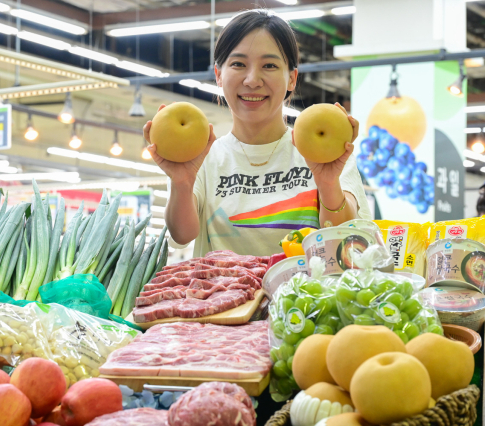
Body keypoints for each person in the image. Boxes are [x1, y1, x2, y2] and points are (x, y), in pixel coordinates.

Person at [145, 9, 371, 257]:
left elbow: (347, 240)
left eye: (270, 65)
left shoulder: (326, 153)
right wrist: (182, 182)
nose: (252, 80)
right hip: (228, 294)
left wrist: (327, 183)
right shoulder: (200, 155)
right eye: (238, 64)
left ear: (292, 79)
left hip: (306, 296)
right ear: (219, 75)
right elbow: (182, 235)